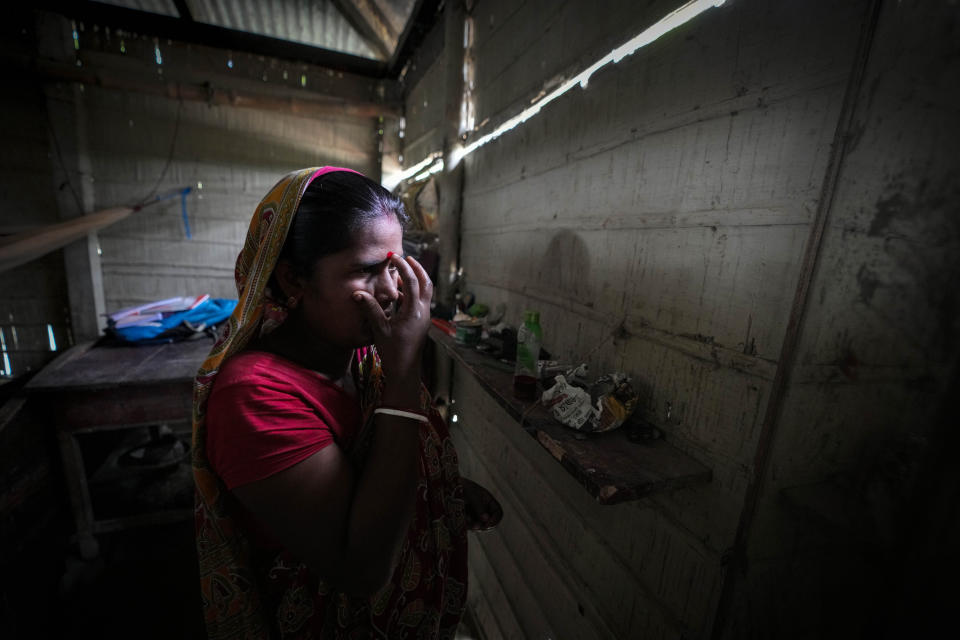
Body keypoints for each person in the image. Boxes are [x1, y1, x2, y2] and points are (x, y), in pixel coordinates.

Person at [191, 167, 502, 639]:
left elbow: (363, 472)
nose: (393, 292)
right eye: (365, 270)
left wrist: (440, 489)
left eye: (394, 269)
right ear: (294, 278)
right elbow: (361, 570)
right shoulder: (252, 397)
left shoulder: (360, 359)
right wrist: (403, 373)